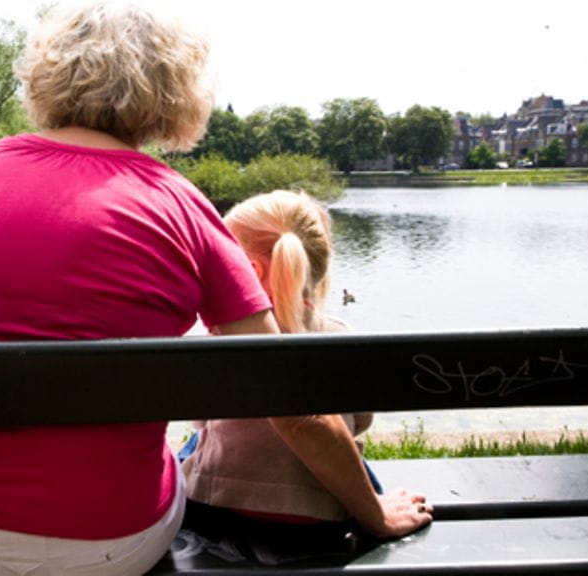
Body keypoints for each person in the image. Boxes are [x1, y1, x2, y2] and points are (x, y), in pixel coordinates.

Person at [0, 3, 278, 575]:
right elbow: (272, 370)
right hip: (109, 544)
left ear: (48, 74)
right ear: (174, 90)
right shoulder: (180, 203)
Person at [181, 190, 433, 560]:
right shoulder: (341, 338)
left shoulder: (220, 340)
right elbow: (358, 423)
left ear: (250, 271)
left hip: (217, 510)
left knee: (193, 444)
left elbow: (201, 419)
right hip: (317, 520)